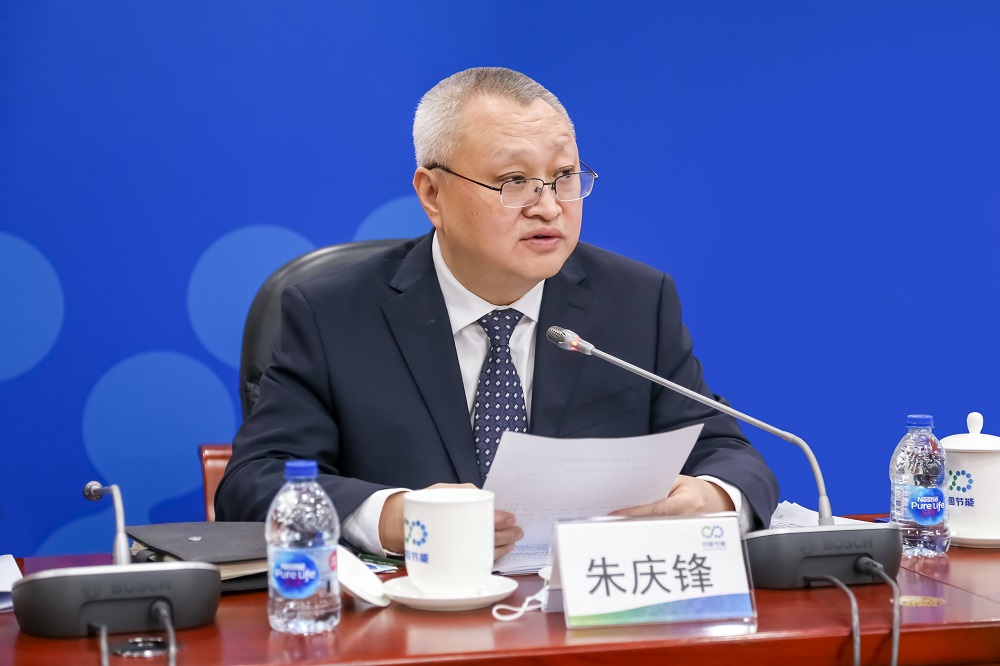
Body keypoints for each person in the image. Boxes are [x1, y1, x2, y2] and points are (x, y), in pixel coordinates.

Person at [216, 67, 779, 559]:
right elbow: (253, 482)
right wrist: (394, 517)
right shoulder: (332, 313)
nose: (549, 207)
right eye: (514, 182)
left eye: (564, 177)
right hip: (413, 615)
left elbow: (727, 453)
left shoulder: (635, 301)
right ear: (432, 195)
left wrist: (712, 498)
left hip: (584, 615)